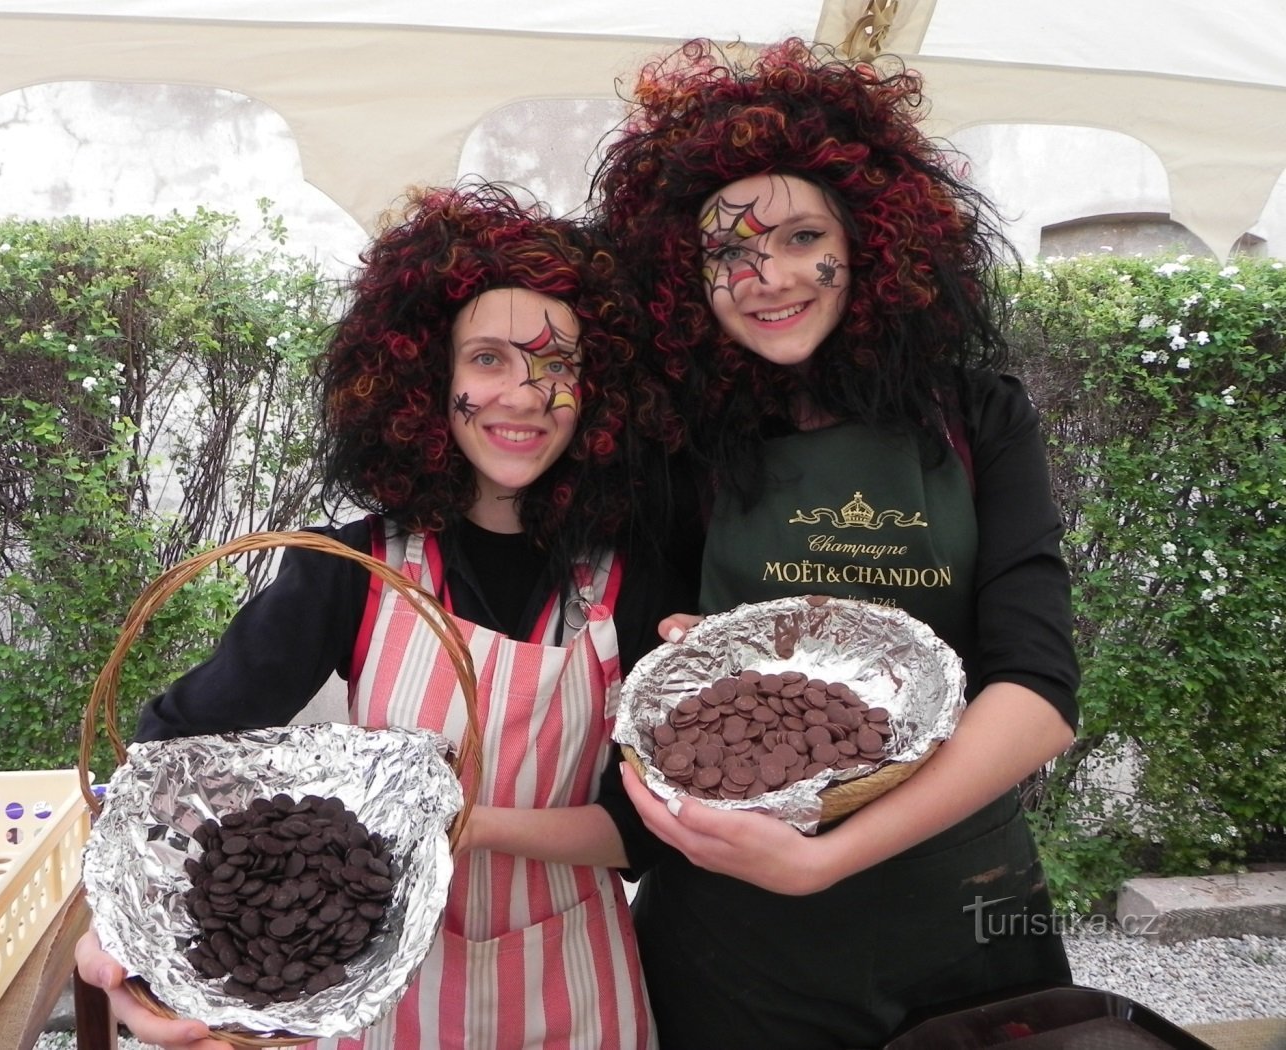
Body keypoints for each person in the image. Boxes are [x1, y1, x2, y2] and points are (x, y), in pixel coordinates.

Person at [75, 184, 687, 1049]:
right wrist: (121, 928)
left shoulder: (641, 579)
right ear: (425, 383)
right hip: (388, 995)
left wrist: (460, 823)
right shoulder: (350, 570)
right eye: (488, 359)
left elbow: (641, 833)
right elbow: (175, 751)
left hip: (578, 984)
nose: (523, 393)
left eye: (557, 364)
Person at [589, 39, 1081, 1050]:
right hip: (737, 941)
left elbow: (1036, 696)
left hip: (971, 903)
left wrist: (823, 860)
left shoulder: (979, 419)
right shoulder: (682, 445)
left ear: (869, 240)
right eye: (726, 252)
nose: (762, 276)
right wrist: (680, 648)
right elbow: (653, 681)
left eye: (799, 234)